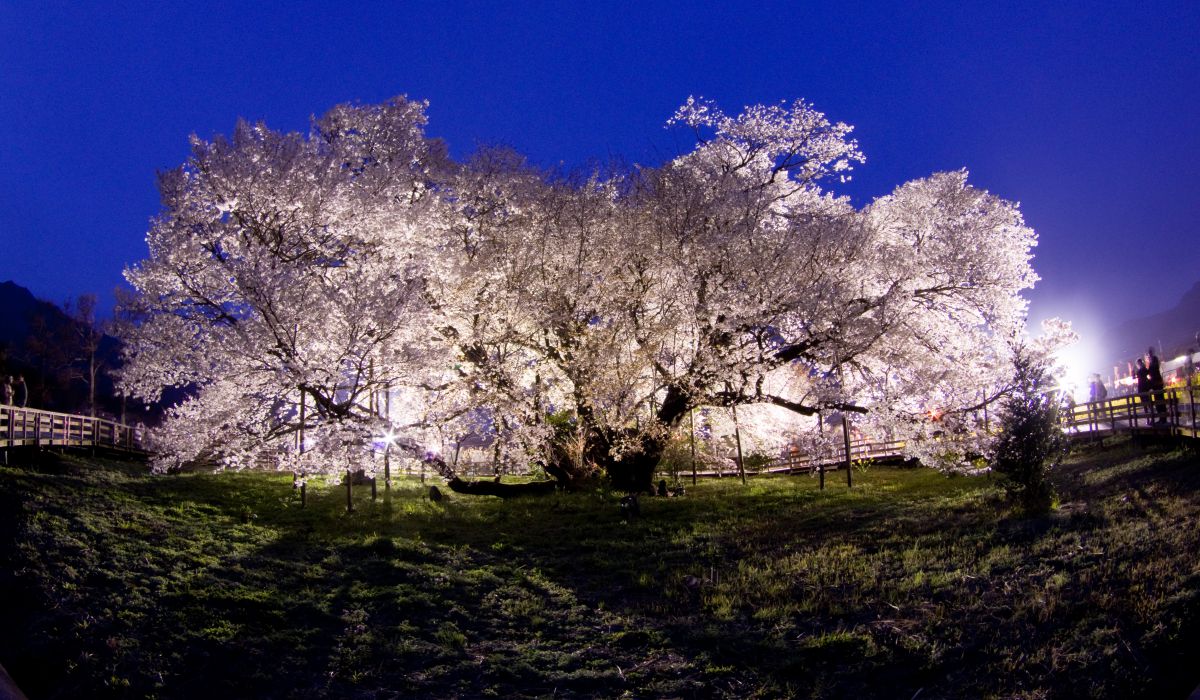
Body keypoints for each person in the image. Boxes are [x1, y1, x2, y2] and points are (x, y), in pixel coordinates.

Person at [1147, 346, 1167, 424]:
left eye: (1149, 353)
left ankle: (1163, 418)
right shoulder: (1152, 361)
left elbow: (1154, 369)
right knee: (1158, 401)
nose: (1149, 355)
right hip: (1155, 384)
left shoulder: (1154, 359)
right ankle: (1161, 418)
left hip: (1157, 383)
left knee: (1160, 400)